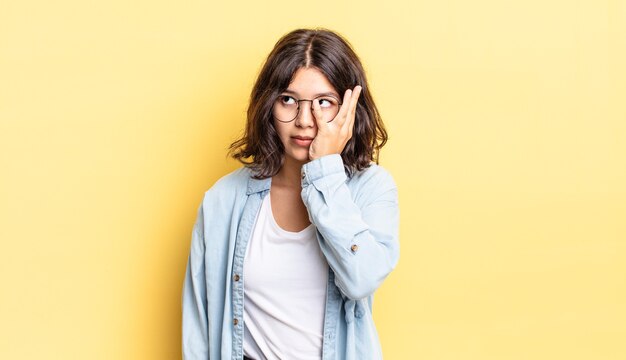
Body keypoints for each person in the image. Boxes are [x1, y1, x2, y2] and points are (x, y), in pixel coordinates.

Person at [182, 28, 400, 360]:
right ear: (269, 105)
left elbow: (361, 278)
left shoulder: (371, 189)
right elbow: (199, 327)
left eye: (324, 103)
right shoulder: (223, 200)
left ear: (349, 109)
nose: (304, 120)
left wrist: (325, 168)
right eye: (288, 100)